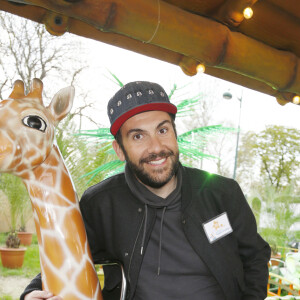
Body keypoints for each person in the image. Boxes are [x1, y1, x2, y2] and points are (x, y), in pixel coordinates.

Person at [21, 81, 271, 300]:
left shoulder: (222, 193)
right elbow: (65, 256)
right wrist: (32, 291)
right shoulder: (101, 204)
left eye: (163, 130)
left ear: (175, 134)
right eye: (138, 136)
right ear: (119, 150)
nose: (156, 147)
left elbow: (256, 256)